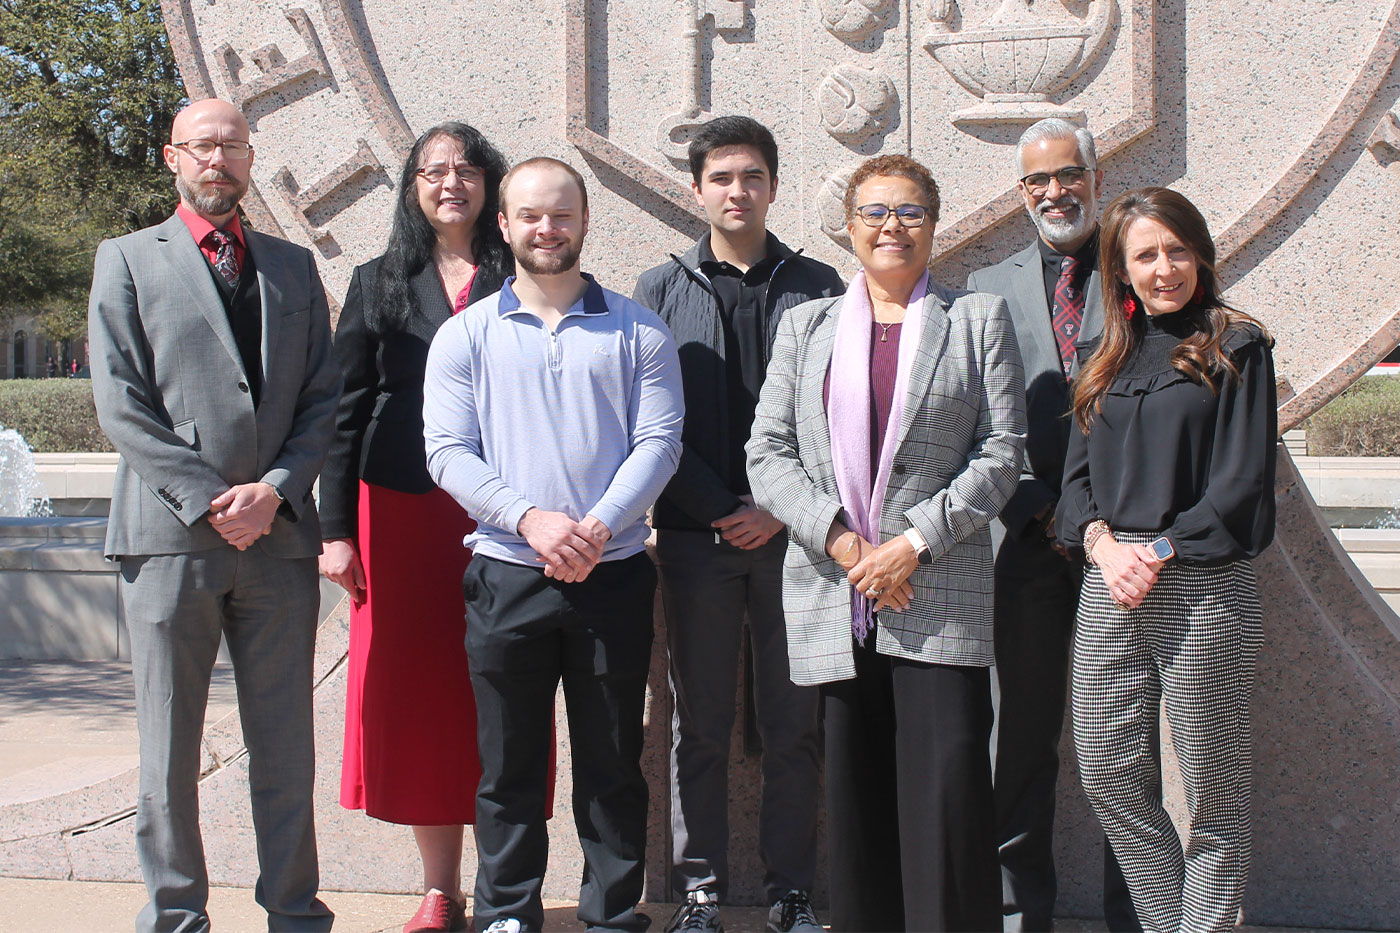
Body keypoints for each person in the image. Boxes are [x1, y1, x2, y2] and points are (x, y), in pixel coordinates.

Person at [746, 154, 1026, 932]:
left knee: (948, 796)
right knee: (858, 803)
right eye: (874, 212)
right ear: (849, 227)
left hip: (936, 594)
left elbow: (1002, 451)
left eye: (908, 211)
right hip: (840, 597)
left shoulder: (976, 319)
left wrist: (913, 543)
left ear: (934, 226)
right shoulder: (806, 326)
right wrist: (844, 545)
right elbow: (766, 453)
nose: (890, 226)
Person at [87, 98, 341, 932]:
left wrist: (274, 488)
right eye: (203, 147)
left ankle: (295, 911)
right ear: (172, 157)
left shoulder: (293, 267)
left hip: (279, 540)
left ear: (250, 155)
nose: (218, 161)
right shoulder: (125, 260)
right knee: (166, 749)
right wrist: (206, 499)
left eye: (233, 147)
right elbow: (122, 405)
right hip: (168, 542)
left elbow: (322, 400)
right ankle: (175, 915)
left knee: (286, 746)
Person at [423, 157, 684, 933]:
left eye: (561, 214)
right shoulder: (466, 334)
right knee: (508, 762)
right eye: (530, 215)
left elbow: (660, 443)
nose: (547, 228)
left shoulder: (639, 327)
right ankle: (508, 912)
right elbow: (446, 449)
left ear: (584, 220)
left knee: (610, 762)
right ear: (502, 226)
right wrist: (530, 519)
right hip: (506, 573)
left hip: (614, 573)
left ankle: (611, 912)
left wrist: (598, 525)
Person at [633, 115, 843, 933]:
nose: (736, 190)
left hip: (796, 543)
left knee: (797, 724)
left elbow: (835, 424)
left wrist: (775, 511)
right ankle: (700, 892)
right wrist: (720, 508)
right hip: (693, 540)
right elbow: (650, 424)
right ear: (696, 189)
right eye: (721, 177)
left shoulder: (819, 285)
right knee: (699, 724)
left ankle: (791, 891)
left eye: (751, 176)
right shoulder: (658, 289)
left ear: (774, 186)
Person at [1056, 186, 1276, 933]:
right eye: (1145, 255)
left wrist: (1155, 549)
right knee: (1109, 772)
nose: (1164, 268)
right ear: (1121, 269)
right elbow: (1075, 484)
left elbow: (1242, 482)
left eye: (1177, 249)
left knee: (1214, 791)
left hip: (1204, 587)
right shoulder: (1102, 356)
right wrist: (1103, 546)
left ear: (1200, 253)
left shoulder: (1235, 344)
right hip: (1109, 582)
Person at [318, 122, 519, 933]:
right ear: (412, 188)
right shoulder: (378, 282)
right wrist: (336, 531)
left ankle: (508, 885)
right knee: (422, 699)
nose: (450, 183)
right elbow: (343, 414)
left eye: (466, 170)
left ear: (490, 185)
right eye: (433, 171)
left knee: (502, 691)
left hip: (506, 511)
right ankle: (441, 889)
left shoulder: (528, 275)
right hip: (400, 512)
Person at [967, 117, 1145, 932]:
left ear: (1096, 175)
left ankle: (1135, 912)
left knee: (1123, 745)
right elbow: (969, 422)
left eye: (1067, 174)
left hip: (1126, 550)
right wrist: (1032, 504)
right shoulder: (986, 289)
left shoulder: (1145, 268)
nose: (1053, 192)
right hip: (1026, 545)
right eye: (1037, 181)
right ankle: (1015, 912)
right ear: (1020, 194)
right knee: (1020, 740)